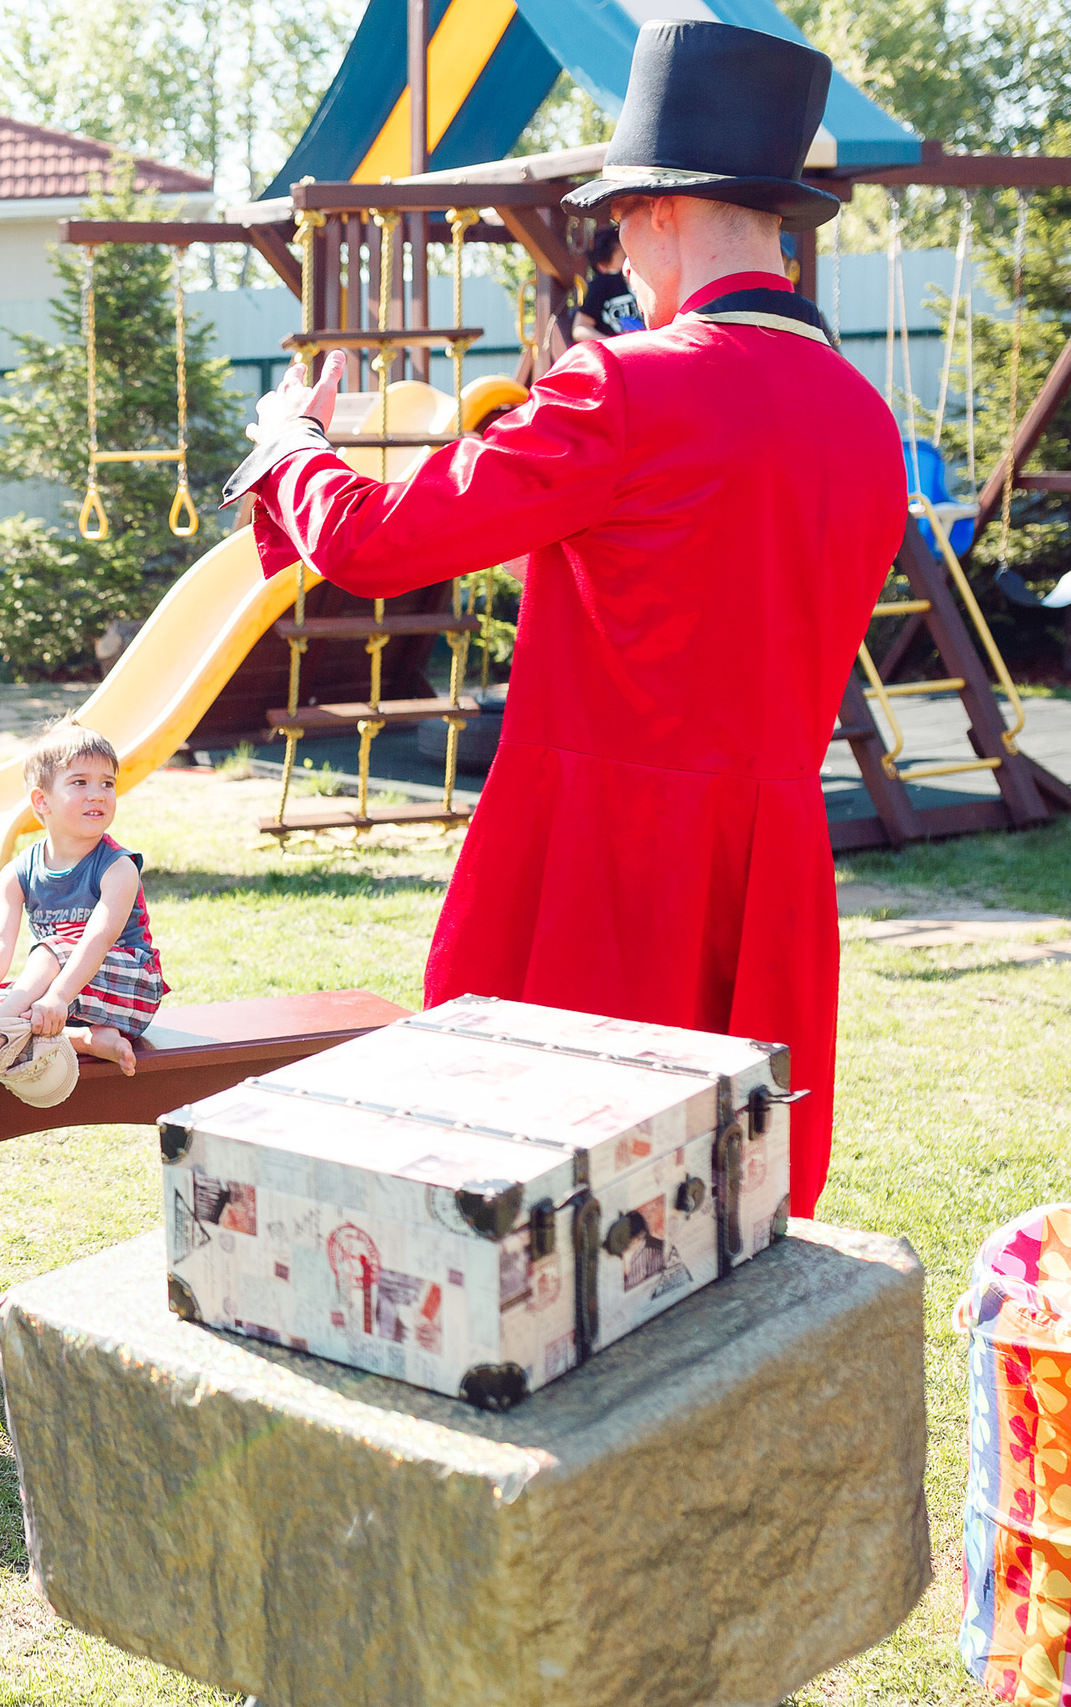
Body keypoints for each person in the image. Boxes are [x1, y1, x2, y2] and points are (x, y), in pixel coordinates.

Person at [223, 20, 901, 1219]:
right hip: (774, 859)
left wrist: (288, 449)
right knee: (719, 1210)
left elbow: (380, 547)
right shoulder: (861, 417)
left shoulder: (626, 383)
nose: (618, 260)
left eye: (616, 227)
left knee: (551, 1194)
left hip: (607, 856)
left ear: (656, 214)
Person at [0, 723, 168, 1079]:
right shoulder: (18, 872)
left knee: (49, 951)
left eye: (107, 783)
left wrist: (57, 996)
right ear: (42, 801)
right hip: (63, 993)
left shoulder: (118, 867)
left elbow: (97, 939)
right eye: (80, 782)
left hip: (129, 988)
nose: (98, 794)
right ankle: (84, 1039)